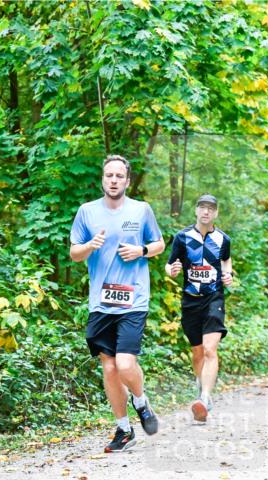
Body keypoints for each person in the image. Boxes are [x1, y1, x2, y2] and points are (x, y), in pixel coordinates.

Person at [69, 155, 166, 452]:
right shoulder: (86, 212)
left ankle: (141, 401)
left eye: (119, 176)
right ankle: (124, 430)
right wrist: (89, 246)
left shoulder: (141, 210)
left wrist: (141, 250)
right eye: (108, 175)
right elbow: (74, 253)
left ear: (127, 180)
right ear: (102, 179)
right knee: (109, 369)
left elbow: (159, 245)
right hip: (101, 302)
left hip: (133, 299)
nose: (113, 180)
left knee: (125, 363)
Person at [165, 194, 232, 423]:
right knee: (197, 353)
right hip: (191, 300)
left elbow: (226, 261)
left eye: (210, 208)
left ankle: (204, 398)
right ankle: (201, 384)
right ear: (196, 210)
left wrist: (228, 274)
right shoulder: (182, 237)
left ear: (216, 213)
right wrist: (172, 271)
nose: (206, 212)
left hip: (214, 298)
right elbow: (169, 263)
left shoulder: (223, 239)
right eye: (202, 207)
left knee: (210, 349)